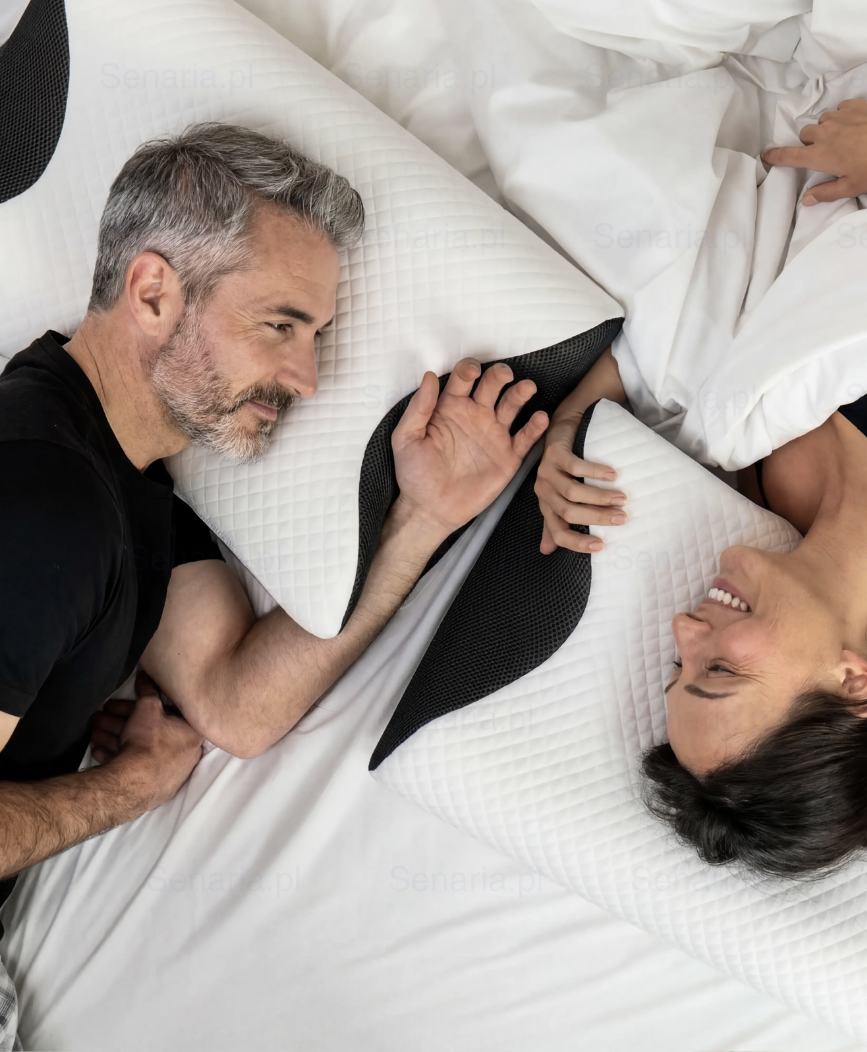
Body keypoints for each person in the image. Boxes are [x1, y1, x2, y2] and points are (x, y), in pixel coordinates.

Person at [533, 99, 867, 894]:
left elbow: (690, 328)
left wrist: (571, 426)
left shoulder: (761, 487)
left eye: (679, 666)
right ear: (853, 682)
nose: (685, 629)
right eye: (720, 669)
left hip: (837, 108)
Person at [0, 123, 548, 892]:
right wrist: (130, 787)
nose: (306, 379)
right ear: (153, 294)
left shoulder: (118, 475)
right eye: (280, 325)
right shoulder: (45, 500)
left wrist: (421, 519)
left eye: (315, 334)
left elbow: (234, 702)